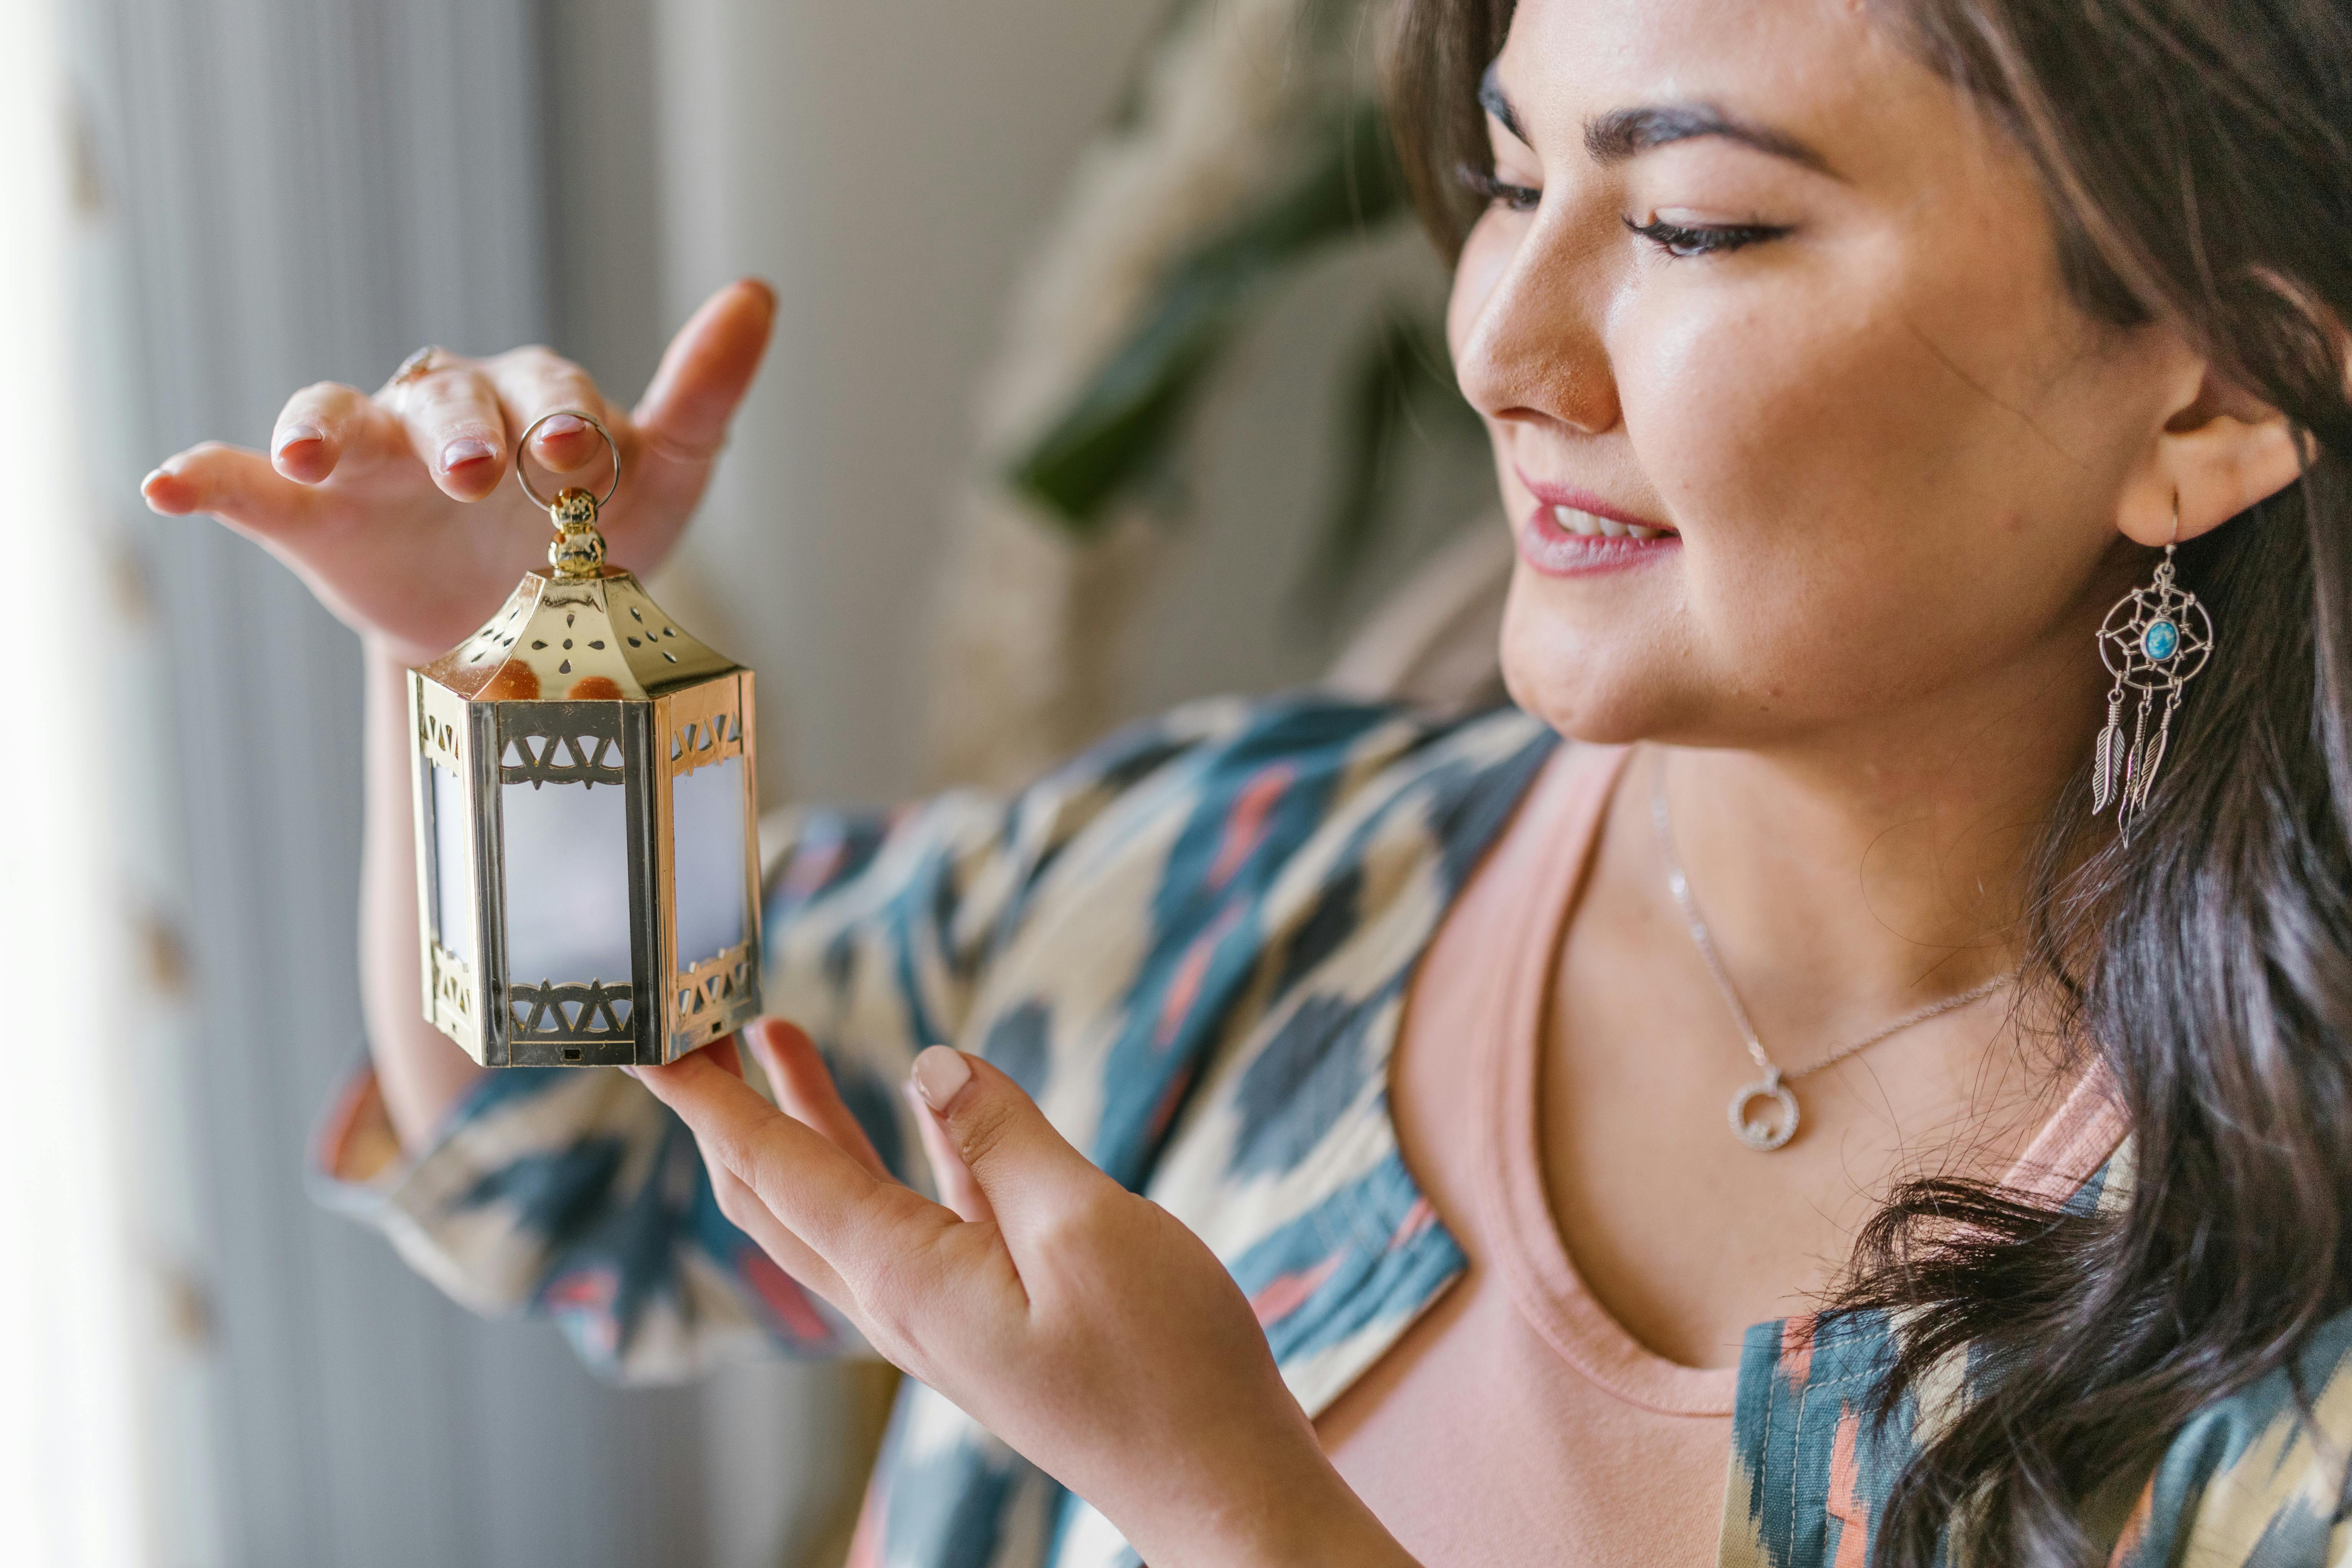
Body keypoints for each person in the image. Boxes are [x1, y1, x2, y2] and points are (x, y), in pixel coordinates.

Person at [143, 0, 2352, 1561]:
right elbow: (573, 1173)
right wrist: (494, 651)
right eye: (1506, 178)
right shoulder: (1237, 880)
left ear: (2206, 405)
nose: (1498, 342)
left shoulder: (2284, 1333)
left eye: (1692, 223)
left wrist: (1241, 1513)